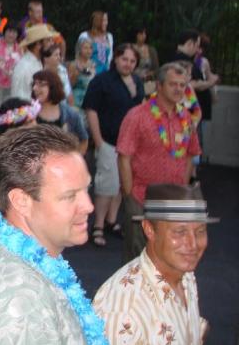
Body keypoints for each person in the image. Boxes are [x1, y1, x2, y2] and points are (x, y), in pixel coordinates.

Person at [0, 125, 106, 345]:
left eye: (86, 189)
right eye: (69, 196)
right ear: (21, 201)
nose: (88, 206)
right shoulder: (23, 303)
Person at [93, 183, 217, 345]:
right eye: (180, 232)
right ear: (149, 229)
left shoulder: (184, 273)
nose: (193, 245)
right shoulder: (125, 313)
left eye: (200, 231)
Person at [117, 62, 201, 262]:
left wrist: (182, 189)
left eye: (182, 85)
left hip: (172, 202)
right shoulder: (137, 116)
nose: (178, 89)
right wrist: (129, 195)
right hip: (141, 198)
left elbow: (191, 153)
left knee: (167, 258)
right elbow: (124, 156)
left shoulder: (186, 119)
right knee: (137, 260)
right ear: (159, 85)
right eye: (173, 84)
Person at [83, 43, 144, 247]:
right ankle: (98, 225)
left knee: (121, 184)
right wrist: (98, 140)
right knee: (106, 185)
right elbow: (91, 110)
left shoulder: (137, 81)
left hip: (130, 145)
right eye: (124, 59)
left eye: (132, 61)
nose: (128, 64)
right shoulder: (102, 81)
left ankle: (111, 221)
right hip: (108, 142)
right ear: (116, 58)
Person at [172, 30, 218, 148]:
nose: (198, 49)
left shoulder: (189, 91)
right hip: (183, 123)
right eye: (197, 45)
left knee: (191, 144)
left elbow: (196, 112)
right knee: (185, 144)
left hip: (189, 122)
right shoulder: (181, 60)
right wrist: (210, 83)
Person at [32, 70, 88, 154]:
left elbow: (84, 140)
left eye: (41, 84)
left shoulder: (71, 114)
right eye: (34, 84)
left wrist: (74, 159)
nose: (35, 88)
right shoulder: (28, 112)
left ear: (53, 87)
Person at [10, 23, 55, 101]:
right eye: (48, 40)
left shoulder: (37, 61)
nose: (52, 43)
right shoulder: (24, 67)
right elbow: (20, 99)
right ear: (38, 44)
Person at [77, 11, 114, 75]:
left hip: (105, 73)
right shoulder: (85, 36)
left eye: (106, 20)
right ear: (97, 21)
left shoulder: (109, 36)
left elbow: (110, 56)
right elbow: (79, 55)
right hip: (88, 72)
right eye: (104, 20)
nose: (106, 23)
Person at [132, 26, 160, 95]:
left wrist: (150, 74)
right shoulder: (130, 48)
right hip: (132, 81)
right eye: (141, 33)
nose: (143, 36)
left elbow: (156, 68)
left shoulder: (151, 50)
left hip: (148, 82)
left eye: (145, 33)